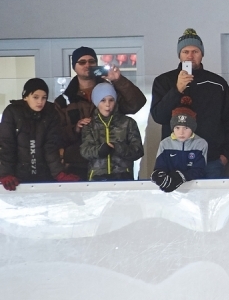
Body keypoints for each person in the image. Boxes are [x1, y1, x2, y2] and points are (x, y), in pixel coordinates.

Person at [151, 29, 229, 179]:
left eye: (195, 51)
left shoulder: (217, 84)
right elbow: (159, 116)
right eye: (185, 51)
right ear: (179, 54)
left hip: (211, 162)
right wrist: (177, 90)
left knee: (212, 202)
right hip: (174, 160)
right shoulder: (163, 81)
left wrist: (225, 156)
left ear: (202, 54)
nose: (190, 56)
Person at [55, 46, 146, 179]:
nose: (87, 65)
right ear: (74, 66)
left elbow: (136, 104)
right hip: (76, 165)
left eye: (91, 61)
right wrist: (75, 129)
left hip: (115, 167)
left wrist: (118, 80)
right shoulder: (64, 100)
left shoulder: (111, 90)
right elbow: (56, 135)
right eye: (82, 62)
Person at [0, 79, 78, 191]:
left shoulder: (51, 113)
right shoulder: (12, 112)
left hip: (44, 177)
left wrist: (58, 173)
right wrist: (6, 173)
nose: (40, 102)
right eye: (35, 97)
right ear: (25, 97)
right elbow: (7, 145)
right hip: (18, 180)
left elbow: (51, 146)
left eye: (44, 97)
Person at [80, 83, 144, 181]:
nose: (107, 104)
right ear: (96, 102)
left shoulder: (128, 123)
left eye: (111, 100)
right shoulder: (89, 126)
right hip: (97, 179)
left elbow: (138, 150)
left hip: (123, 177)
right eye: (103, 100)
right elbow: (84, 151)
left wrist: (118, 148)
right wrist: (100, 150)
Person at [151, 101, 208, 192]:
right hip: (171, 194)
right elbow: (160, 167)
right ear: (172, 128)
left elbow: (199, 170)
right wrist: (159, 175)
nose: (181, 132)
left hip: (195, 190)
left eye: (186, 128)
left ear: (193, 128)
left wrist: (180, 176)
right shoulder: (165, 144)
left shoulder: (200, 144)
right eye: (177, 128)